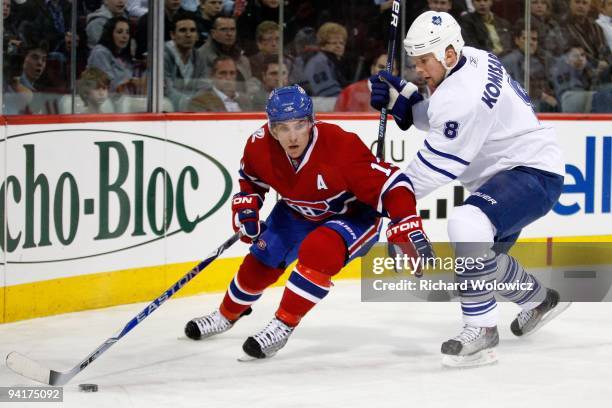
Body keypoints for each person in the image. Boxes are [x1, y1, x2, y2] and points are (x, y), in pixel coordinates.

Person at [369, 11, 570, 367]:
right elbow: (442, 115)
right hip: (512, 174)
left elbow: (436, 167)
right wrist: (405, 104)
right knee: (477, 261)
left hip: (530, 173)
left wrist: (384, 198)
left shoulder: (463, 95)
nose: (418, 70)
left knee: (466, 222)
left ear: (448, 54)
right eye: (414, 62)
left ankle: (482, 329)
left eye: (423, 61)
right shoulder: (473, 57)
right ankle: (538, 300)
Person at [184, 84, 432, 359]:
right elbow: (251, 180)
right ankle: (226, 314)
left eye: (299, 125)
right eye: (283, 128)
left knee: (319, 249)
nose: (292, 137)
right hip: (297, 211)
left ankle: (282, 325)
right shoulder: (259, 145)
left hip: (352, 216)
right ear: (271, 128)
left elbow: (394, 185)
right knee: (262, 257)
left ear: (312, 122)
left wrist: (406, 220)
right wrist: (248, 207)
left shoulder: (340, 146)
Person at [87, 17, 143, 94]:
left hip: (125, 100)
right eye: (119, 32)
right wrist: (132, 81)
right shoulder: (100, 53)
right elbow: (107, 83)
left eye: (127, 32)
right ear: (110, 34)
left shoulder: (123, 55)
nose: (125, 36)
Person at [164, 11, 206, 110]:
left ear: (197, 36)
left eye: (192, 30)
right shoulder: (162, 57)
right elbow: (166, 90)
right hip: (167, 112)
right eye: (183, 30)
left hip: (194, 111)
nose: (188, 35)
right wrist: (189, 103)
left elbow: (204, 87)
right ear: (172, 35)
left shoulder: (199, 57)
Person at [187, 55, 251, 111]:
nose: (228, 78)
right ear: (212, 76)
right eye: (223, 73)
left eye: (232, 73)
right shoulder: (200, 101)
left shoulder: (245, 100)